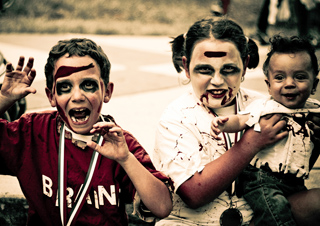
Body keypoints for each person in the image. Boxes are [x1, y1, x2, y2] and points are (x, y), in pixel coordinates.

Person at [152, 17, 320, 226]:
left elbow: (289, 169)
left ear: (246, 64)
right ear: (186, 66)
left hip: (259, 217)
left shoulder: (266, 105)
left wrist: (312, 140)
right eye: (204, 70)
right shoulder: (176, 117)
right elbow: (194, 194)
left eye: (229, 69)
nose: (217, 80)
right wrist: (252, 143)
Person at [0, 38, 173, 226]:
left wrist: (126, 159)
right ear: (51, 96)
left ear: (106, 91)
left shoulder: (119, 143)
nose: (77, 96)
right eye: (65, 87)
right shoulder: (33, 132)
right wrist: (3, 99)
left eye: (88, 85)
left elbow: (162, 207)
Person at [210, 34, 320, 225]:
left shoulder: (314, 110)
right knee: (275, 211)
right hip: (261, 179)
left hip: (294, 181)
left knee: (290, 210)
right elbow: (242, 120)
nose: (289, 83)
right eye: (279, 77)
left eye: (300, 77)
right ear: (268, 86)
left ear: (314, 85)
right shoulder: (266, 107)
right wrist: (223, 124)